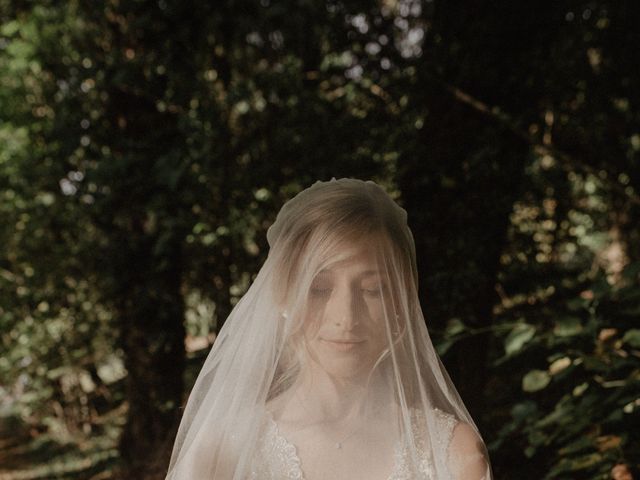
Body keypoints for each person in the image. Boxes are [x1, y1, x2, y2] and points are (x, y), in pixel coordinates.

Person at [166, 178, 492, 480]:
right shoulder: (223, 451)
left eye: (373, 290)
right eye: (319, 289)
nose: (346, 317)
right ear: (282, 294)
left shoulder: (453, 453)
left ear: (401, 301)